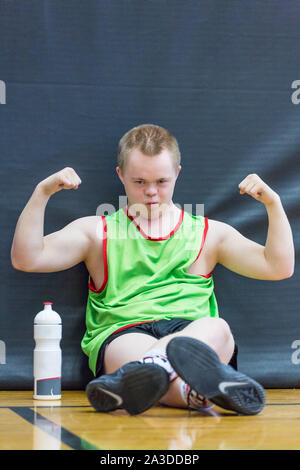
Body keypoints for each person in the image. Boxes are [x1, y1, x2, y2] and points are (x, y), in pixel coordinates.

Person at [11, 124, 294, 416]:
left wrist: (273, 204)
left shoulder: (209, 233)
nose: (151, 192)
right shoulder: (97, 231)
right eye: (139, 182)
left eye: (161, 181)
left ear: (177, 174)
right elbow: (27, 259)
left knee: (216, 328)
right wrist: (41, 193)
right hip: (126, 333)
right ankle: (195, 390)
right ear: (120, 175)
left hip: (194, 335)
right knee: (136, 361)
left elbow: (278, 267)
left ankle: (162, 372)